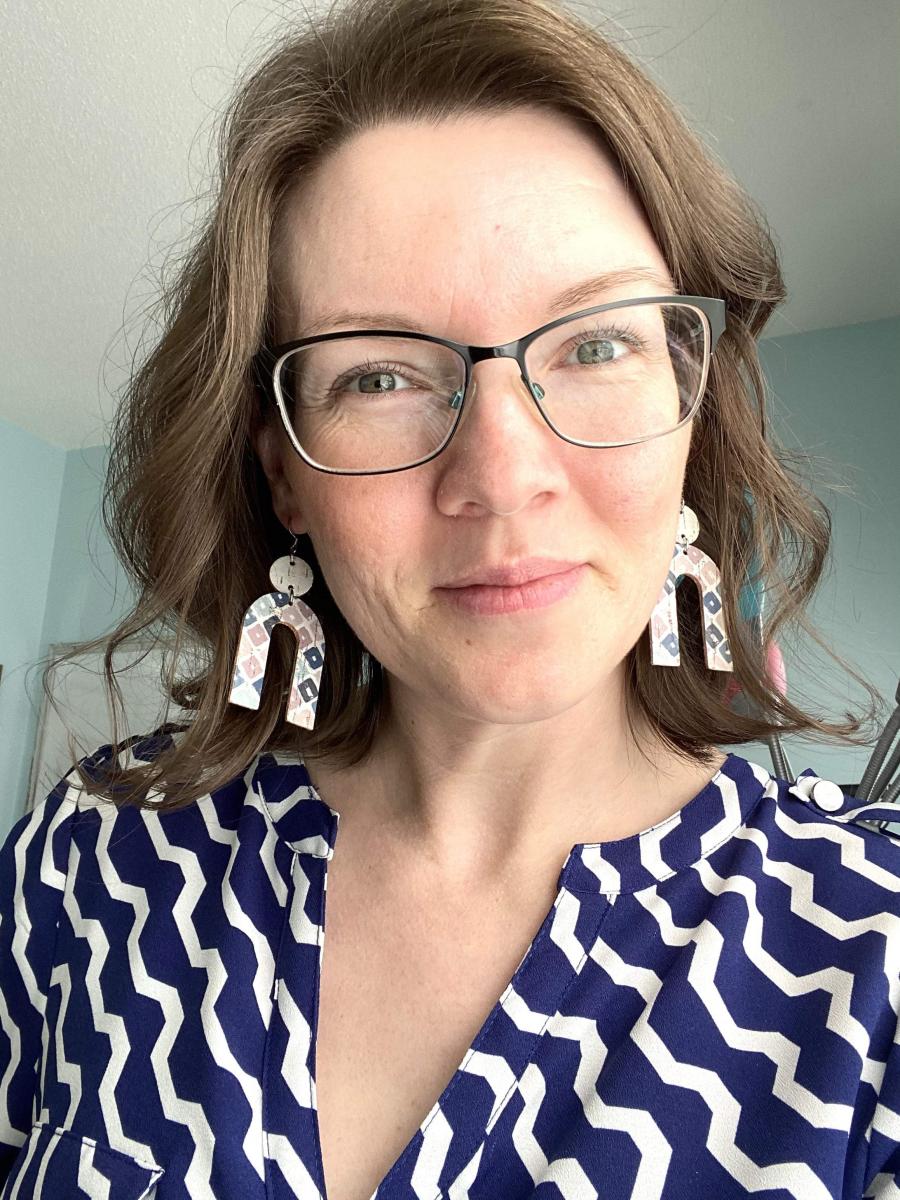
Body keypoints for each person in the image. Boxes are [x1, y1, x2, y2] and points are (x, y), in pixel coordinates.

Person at [2, 0, 898, 1196]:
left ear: (694, 399)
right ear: (285, 476)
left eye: (593, 344)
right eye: (379, 373)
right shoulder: (95, 855)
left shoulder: (871, 946)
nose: (503, 477)